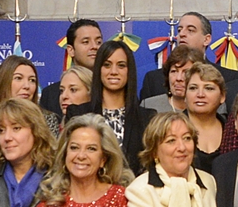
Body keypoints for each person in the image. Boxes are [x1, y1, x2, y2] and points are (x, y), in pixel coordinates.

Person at [67, 39, 147, 171]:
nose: (114, 71)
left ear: (129, 71)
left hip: (133, 189)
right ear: (98, 69)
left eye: (121, 65)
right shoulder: (78, 114)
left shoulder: (146, 118)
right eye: (107, 65)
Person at [141, 12, 238, 99]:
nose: (182, 34)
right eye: (179, 30)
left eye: (190, 30)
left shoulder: (228, 78)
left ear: (206, 39)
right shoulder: (154, 79)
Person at [41, 19, 106, 113]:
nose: (94, 46)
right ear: (71, 50)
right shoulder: (51, 95)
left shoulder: (110, 89)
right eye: (86, 42)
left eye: (98, 42)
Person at [0, 55, 64, 136]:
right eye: (18, 78)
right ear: (3, 81)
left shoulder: (47, 120)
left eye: (32, 80)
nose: (27, 86)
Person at [184, 62, 227, 172]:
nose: (200, 94)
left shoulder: (234, 129)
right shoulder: (170, 129)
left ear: (222, 96)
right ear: (185, 95)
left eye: (209, 88)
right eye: (193, 88)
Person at [142, 45, 201, 115]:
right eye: (174, 71)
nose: (178, 78)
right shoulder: (149, 106)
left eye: (186, 72)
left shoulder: (207, 108)